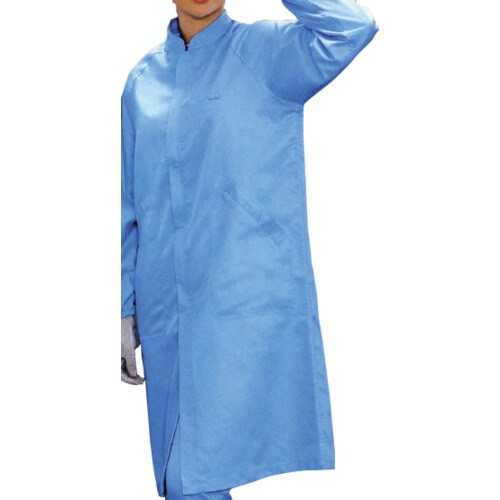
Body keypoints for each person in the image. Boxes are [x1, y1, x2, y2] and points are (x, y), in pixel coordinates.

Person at [121, 0, 378, 498]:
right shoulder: (140, 83)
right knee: (177, 479)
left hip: (238, 310)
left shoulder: (267, 53)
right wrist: (121, 305)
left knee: (194, 476)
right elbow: (127, 201)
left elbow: (353, 29)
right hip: (163, 312)